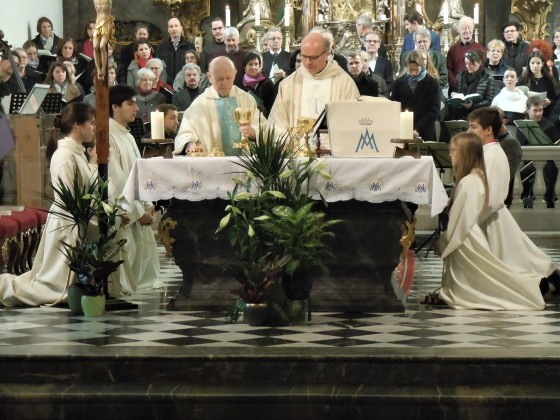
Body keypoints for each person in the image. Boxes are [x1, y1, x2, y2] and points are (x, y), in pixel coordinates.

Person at [434, 132, 545, 311]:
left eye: (454, 150)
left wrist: (443, 242)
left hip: (466, 241)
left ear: (465, 154)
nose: (450, 154)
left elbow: (461, 221)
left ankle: (530, 288)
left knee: (483, 281)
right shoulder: (474, 178)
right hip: (467, 239)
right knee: (482, 278)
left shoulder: (469, 182)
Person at [0, 103, 97, 306]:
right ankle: (4, 287)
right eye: (91, 123)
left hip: (75, 219)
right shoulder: (64, 155)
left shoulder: (78, 152)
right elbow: (68, 196)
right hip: (66, 223)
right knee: (52, 287)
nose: (94, 128)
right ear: (77, 125)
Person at [466, 107, 559, 285]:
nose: (468, 131)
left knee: (515, 259)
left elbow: (494, 190)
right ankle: (545, 278)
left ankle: (540, 281)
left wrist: (471, 218)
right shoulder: (487, 150)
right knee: (520, 254)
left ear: (488, 129)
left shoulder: (496, 151)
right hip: (490, 212)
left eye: (473, 127)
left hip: (491, 212)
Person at [108, 85, 161, 291]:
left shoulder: (128, 135)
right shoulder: (109, 136)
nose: (136, 109)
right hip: (125, 211)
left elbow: (140, 173)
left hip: (137, 206)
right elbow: (118, 180)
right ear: (115, 107)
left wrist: (148, 204)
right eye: (130, 104)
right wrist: (138, 213)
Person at [268, 33, 359, 132]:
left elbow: (352, 119)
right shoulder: (289, 84)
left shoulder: (344, 83)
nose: (308, 62)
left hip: (332, 141)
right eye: (304, 56)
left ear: (327, 54)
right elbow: (277, 122)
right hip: (295, 141)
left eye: (313, 57)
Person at [174, 56, 264, 156]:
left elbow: (265, 128)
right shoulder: (199, 104)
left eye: (228, 78)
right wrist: (189, 143)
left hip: (243, 162)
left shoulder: (246, 99)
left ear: (234, 74)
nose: (224, 82)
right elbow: (184, 133)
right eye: (220, 79)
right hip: (212, 163)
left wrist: (253, 132)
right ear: (209, 77)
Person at [516, 96, 559, 208]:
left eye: (541, 110)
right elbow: (520, 147)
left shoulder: (549, 126)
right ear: (527, 110)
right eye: (535, 110)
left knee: (546, 163)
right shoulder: (521, 125)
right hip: (525, 161)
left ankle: (539, 198)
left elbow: (555, 151)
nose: (538, 113)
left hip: (545, 163)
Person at [391, 51, 440, 141]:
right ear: (407, 67)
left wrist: (418, 128)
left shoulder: (432, 83)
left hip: (426, 131)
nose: (413, 73)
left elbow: (434, 110)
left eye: (416, 70)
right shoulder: (398, 83)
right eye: (410, 70)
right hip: (404, 130)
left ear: (422, 66)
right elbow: (394, 107)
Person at [448, 49, 495, 120]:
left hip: (478, 114)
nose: (468, 66)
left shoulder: (488, 78)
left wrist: (473, 106)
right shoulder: (461, 75)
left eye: (471, 64)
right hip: (459, 112)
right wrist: (453, 95)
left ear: (479, 62)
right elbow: (455, 90)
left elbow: (489, 100)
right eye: (466, 63)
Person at [446, 16, 485, 91]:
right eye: (464, 28)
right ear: (458, 30)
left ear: (473, 30)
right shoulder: (453, 50)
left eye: (469, 28)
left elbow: (483, 69)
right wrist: (455, 83)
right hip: (456, 88)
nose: (467, 30)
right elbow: (448, 69)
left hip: (475, 88)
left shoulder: (480, 49)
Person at [518, 51, 560, 118]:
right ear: (529, 64)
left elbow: (555, 98)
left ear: (542, 64)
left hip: (546, 115)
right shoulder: (523, 79)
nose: (535, 66)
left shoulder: (549, 80)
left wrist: (550, 102)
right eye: (532, 63)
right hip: (526, 115)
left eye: (538, 63)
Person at [155, 17, 195, 83]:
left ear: (181, 28)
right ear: (168, 30)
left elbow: (193, 67)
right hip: (166, 83)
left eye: (176, 26)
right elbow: (157, 67)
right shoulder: (161, 47)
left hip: (184, 83)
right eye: (171, 26)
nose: (174, 29)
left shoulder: (190, 46)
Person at [240, 51, 276, 117]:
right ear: (245, 67)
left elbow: (273, 108)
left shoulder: (268, 84)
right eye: (250, 64)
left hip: (263, 121)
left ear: (260, 66)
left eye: (256, 64)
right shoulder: (239, 83)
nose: (253, 67)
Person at [92, 0, 116, 81]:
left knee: (102, 46)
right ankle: (98, 70)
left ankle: (103, 70)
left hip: (107, 22)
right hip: (97, 24)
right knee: (95, 47)